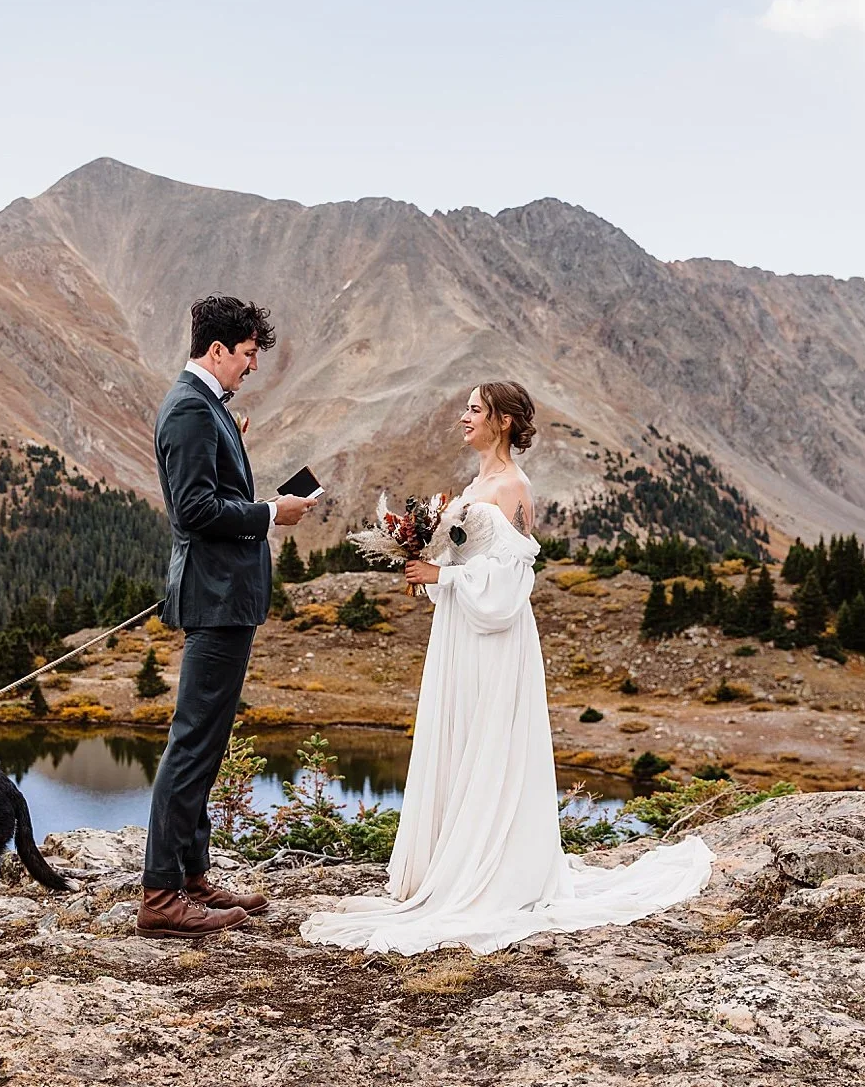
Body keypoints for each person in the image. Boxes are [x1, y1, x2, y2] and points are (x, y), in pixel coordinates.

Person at [300, 382, 712, 954]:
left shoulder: (515, 487)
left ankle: (495, 872)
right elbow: (472, 557)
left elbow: (513, 581)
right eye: (466, 408)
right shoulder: (475, 484)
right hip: (460, 633)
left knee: (491, 741)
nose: (463, 417)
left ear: (504, 421)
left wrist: (442, 575)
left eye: (474, 409)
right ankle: (452, 859)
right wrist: (427, 559)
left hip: (494, 640)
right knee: (462, 737)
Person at [138, 295, 318, 938]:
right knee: (193, 741)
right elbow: (193, 512)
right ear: (216, 350)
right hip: (214, 597)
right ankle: (161, 895)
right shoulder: (191, 408)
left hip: (225, 596)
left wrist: (231, 447)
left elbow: (210, 488)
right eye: (246, 354)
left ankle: (191, 876)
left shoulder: (208, 407)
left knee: (207, 741)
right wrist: (272, 513)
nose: (252, 366)